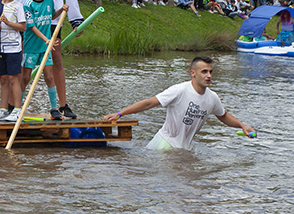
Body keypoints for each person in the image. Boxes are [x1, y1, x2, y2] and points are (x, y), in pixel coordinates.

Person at [103, 57, 255, 150]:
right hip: (164, 145)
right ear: (193, 73)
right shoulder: (179, 90)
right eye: (204, 72)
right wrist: (120, 114)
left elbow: (223, 116)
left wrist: (242, 126)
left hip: (184, 148)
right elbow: (149, 103)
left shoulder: (212, 98)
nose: (208, 76)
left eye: (210, 72)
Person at [22, 0, 69, 120]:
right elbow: (32, 26)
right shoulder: (28, 4)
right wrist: (46, 39)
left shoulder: (49, 2)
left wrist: (61, 10)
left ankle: (54, 108)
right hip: (32, 45)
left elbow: (51, 16)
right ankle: (17, 106)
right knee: (26, 77)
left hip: (45, 47)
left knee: (49, 76)